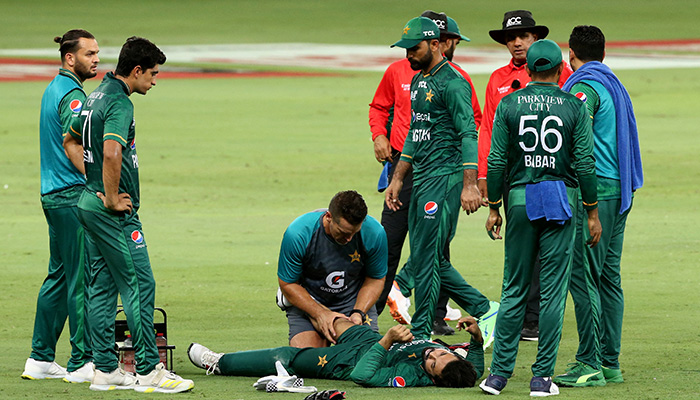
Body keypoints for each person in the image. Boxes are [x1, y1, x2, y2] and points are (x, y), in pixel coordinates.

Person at [64, 36, 193, 393]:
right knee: (139, 283)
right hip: (110, 212)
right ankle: (150, 370)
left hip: (87, 205)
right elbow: (110, 153)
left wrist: (93, 186)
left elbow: (70, 140)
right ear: (135, 71)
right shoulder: (120, 103)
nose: (155, 80)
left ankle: (105, 369)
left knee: (102, 287)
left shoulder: (94, 96)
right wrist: (109, 196)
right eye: (152, 73)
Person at [479, 39, 601, 397]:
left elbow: (497, 160)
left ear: (528, 70)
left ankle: (497, 376)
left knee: (514, 287)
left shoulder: (509, 103)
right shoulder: (573, 107)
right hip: (561, 199)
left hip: (519, 199)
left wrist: (493, 207)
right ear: (561, 69)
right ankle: (541, 379)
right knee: (551, 292)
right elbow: (585, 164)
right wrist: (592, 213)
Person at [384, 17, 498, 344]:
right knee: (427, 256)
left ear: (435, 44)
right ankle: (484, 308)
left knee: (427, 254)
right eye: (406, 49)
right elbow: (414, 136)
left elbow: (467, 133)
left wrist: (469, 184)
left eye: (414, 48)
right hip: (421, 178)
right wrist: (397, 177)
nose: (408, 55)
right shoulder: (420, 81)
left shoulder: (454, 83)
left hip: (447, 178)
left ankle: (422, 331)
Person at [553, 25, 643, 387]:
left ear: (570, 54)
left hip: (597, 192)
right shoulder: (613, 83)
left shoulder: (582, 86)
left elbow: (579, 144)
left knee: (583, 276)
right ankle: (610, 363)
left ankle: (588, 361)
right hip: (621, 189)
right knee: (609, 277)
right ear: (603, 53)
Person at [478, 10, 574, 341]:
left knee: (541, 243)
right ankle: (524, 316)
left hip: (547, 169)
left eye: (523, 37)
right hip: (510, 172)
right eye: (510, 38)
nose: (516, 42)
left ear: (536, 41)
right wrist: (483, 175)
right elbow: (488, 128)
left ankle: (532, 318)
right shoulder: (496, 79)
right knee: (520, 246)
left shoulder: (554, 75)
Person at [22, 29, 99, 384]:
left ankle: (40, 359)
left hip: (52, 195)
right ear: (70, 58)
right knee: (80, 279)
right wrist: (96, 183)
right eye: (89, 54)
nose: (96, 59)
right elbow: (72, 143)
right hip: (70, 195)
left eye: (97, 53)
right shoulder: (71, 94)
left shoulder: (53, 87)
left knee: (59, 276)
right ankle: (82, 361)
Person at [188, 316, 484, 388]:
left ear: (432, 379)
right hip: (367, 339)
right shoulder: (457, 363)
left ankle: (220, 363)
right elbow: (477, 372)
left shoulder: (407, 376)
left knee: (286, 356)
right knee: (338, 320)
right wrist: (479, 340)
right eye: (440, 355)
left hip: (348, 361)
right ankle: (294, 300)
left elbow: (362, 376)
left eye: (431, 364)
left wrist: (388, 340)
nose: (430, 356)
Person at [277, 190, 387, 348]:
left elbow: (376, 279)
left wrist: (359, 312)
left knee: (365, 356)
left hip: (353, 300)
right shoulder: (298, 234)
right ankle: (290, 299)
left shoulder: (374, 233)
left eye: (354, 233)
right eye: (343, 233)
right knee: (309, 362)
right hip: (310, 300)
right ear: (328, 217)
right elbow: (288, 283)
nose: (349, 239)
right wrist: (321, 314)